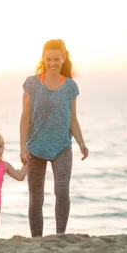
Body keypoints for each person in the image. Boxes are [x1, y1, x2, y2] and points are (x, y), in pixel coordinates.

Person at [20, 39, 89, 237]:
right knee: (36, 199)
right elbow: (25, 116)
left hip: (62, 148)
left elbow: (72, 119)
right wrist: (23, 146)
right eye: (48, 59)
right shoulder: (31, 84)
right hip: (35, 148)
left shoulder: (70, 87)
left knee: (62, 192)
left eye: (56, 59)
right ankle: (37, 240)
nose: (52, 63)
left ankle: (60, 236)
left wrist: (81, 143)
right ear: (43, 59)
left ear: (63, 58)